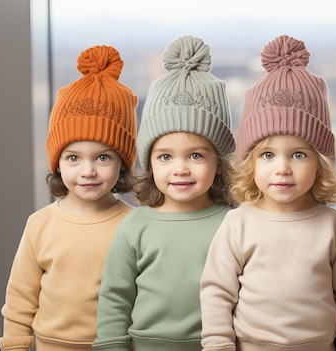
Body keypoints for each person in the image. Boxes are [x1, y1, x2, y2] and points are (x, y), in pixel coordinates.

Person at [199, 34, 336, 351]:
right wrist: (218, 345)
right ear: (250, 162)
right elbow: (217, 292)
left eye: (298, 154)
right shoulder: (238, 224)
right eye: (268, 155)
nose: (283, 168)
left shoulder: (335, 226)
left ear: (320, 163)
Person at [93, 35, 236, 351]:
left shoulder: (234, 223)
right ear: (150, 162)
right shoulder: (136, 224)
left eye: (196, 156)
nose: (180, 169)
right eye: (165, 156)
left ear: (219, 163)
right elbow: (116, 295)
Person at [0, 45, 139, 351]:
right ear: (57, 163)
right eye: (73, 158)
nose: (87, 171)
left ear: (122, 162)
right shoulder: (40, 225)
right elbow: (20, 300)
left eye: (103, 158)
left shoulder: (134, 226)